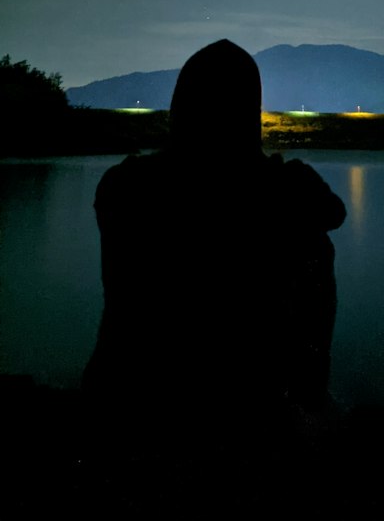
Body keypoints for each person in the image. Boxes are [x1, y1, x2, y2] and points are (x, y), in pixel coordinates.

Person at [83, 39, 346, 451]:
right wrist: (277, 171)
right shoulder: (281, 190)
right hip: (241, 401)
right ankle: (303, 398)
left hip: (124, 387)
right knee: (314, 247)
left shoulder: (126, 183)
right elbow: (332, 213)